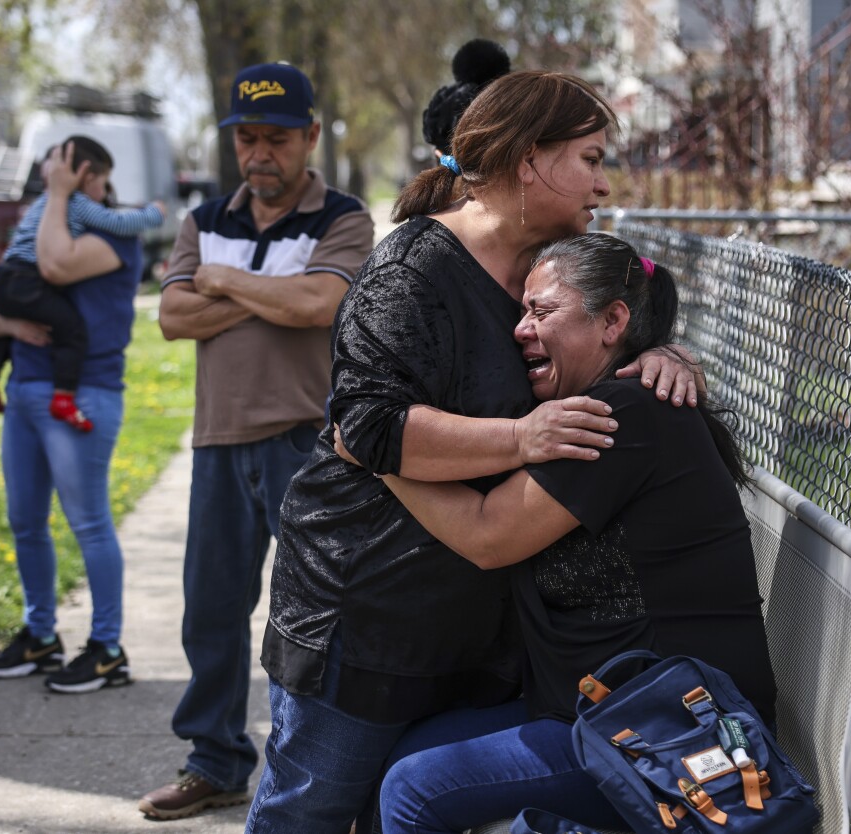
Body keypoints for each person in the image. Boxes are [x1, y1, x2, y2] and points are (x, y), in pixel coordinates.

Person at [250, 71, 706, 833]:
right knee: (313, 813)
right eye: (588, 159)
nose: (601, 184)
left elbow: (612, 325)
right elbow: (365, 428)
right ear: (529, 160)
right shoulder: (410, 276)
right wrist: (522, 437)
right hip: (363, 618)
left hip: (475, 628)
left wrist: (668, 354)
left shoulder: (546, 268)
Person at [349, 234, 773, 833]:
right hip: (602, 715)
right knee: (403, 754)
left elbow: (488, 536)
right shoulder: (599, 403)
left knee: (417, 787)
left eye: (542, 312)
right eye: (522, 311)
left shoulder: (623, 415)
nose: (520, 329)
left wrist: (376, 451)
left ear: (613, 321)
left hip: (678, 736)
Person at [135, 62, 377, 821]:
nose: (259, 153)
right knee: (209, 610)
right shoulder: (205, 220)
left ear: (309, 136)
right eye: (247, 138)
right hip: (218, 442)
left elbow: (321, 303)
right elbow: (172, 318)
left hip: (306, 443)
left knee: (312, 615)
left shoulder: (343, 217)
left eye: (275, 138)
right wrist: (269, 293)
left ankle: (320, 768)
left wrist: (225, 283)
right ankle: (215, 760)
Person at [0, 139, 145, 694]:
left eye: (77, 177)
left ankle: (106, 648)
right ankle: (40, 635)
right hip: (23, 390)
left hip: (83, 392)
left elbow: (52, 265)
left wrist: (57, 193)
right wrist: (14, 326)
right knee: (25, 521)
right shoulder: (46, 221)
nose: (72, 184)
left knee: (88, 522)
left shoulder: (114, 233)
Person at [0, 137, 166, 431]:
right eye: (103, 181)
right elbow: (118, 225)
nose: (103, 191)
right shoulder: (74, 204)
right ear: (86, 177)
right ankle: (64, 397)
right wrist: (153, 214)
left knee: (15, 315)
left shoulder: (39, 205)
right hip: (27, 280)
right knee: (71, 328)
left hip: (7, 277)